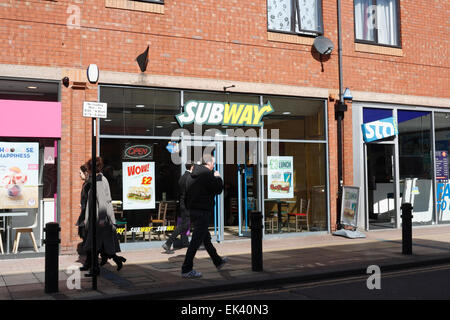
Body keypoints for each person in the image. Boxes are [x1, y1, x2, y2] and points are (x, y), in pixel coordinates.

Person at [181, 154, 228, 279]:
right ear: (208, 164)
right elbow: (218, 189)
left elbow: (186, 195)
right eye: (213, 163)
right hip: (203, 212)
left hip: (194, 211)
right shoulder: (207, 175)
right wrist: (218, 178)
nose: (214, 166)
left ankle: (217, 261)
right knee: (196, 241)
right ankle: (186, 269)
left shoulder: (191, 175)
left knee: (205, 238)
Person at [81, 157, 126, 275]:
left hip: (99, 219)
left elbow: (101, 201)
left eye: (88, 168)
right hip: (97, 218)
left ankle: (95, 269)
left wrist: (101, 219)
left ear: (91, 168)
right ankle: (116, 260)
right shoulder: (98, 179)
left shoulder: (99, 180)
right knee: (100, 245)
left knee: (94, 245)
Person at [162, 162, 193, 253]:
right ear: (192, 167)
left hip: (182, 204)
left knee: (185, 224)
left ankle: (186, 242)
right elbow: (189, 193)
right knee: (184, 225)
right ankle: (168, 243)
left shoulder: (182, 177)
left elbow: (180, 192)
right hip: (187, 205)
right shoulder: (189, 178)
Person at [75, 163, 90, 256]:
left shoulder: (89, 185)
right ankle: (89, 260)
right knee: (84, 235)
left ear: (85, 173)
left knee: (86, 235)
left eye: (80, 173)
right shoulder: (85, 184)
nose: (79, 175)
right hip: (84, 212)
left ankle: (90, 259)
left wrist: (84, 206)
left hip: (87, 214)